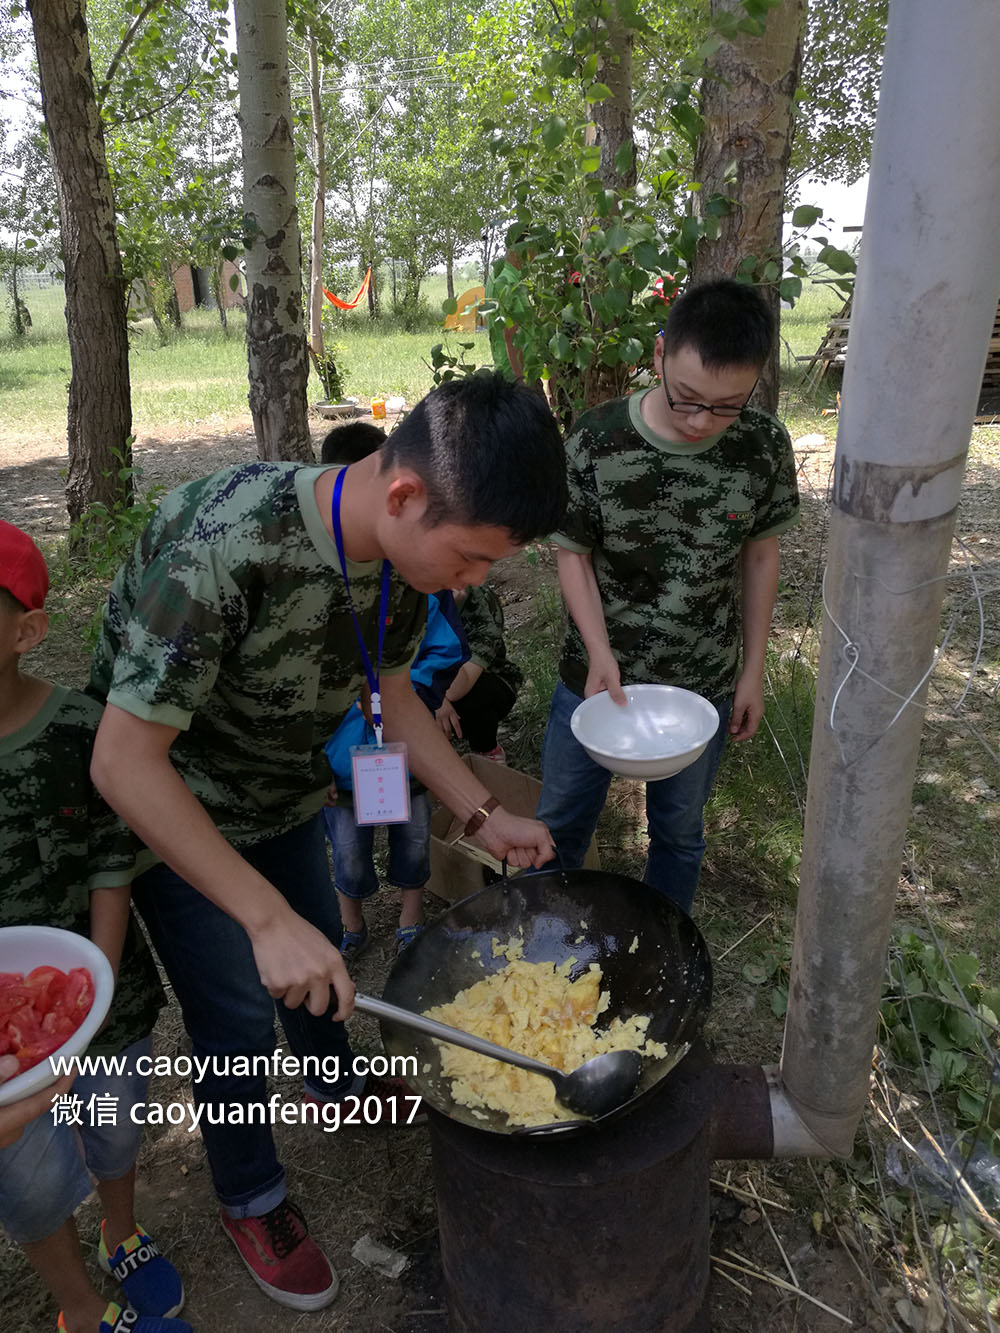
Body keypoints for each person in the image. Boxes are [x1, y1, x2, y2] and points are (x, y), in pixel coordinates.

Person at [86, 372, 567, 1312]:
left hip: (284, 793)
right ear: (404, 494)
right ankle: (252, 1193)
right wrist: (258, 918)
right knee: (232, 1007)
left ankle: (330, 1074)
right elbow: (122, 763)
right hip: (176, 804)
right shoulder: (220, 547)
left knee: (317, 939)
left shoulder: (396, 557)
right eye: (469, 559)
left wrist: (479, 811)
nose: (470, 584)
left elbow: (390, 685)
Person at [535, 279, 800, 915]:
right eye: (686, 400)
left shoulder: (762, 447)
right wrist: (599, 652)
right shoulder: (598, 439)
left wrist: (753, 672)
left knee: (679, 834)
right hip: (594, 680)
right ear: (659, 355)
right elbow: (571, 552)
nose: (702, 422)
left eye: (727, 405)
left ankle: (663, 946)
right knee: (560, 824)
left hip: (700, 679)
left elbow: (762, 556)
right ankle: (541, 943)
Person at [0, 521, 191, 1333]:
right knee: (28, 1173)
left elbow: (112, 867)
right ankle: (79, 1305)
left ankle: (121, 1228)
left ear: (26, 631)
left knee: (113, 1124)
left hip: (102, 997)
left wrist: (91, 1002)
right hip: (5, 1041)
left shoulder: (80, 728)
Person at [319, 423, 473, 961]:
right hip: (338, 765)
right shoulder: (313, 583)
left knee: (411, 834)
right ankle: (351, 921)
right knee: (347, 849)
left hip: (406, 756)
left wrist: (415, 700)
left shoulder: (414, 582)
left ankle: (411, 913)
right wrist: (314, 760)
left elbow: (445, 650)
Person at [434, 583, 522, 763]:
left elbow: (455, 688)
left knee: (476, 696)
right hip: (419, 682)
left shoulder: (480, 603)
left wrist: (445, 614)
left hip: (480, 681)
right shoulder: (404, 596)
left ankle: (487, 752)